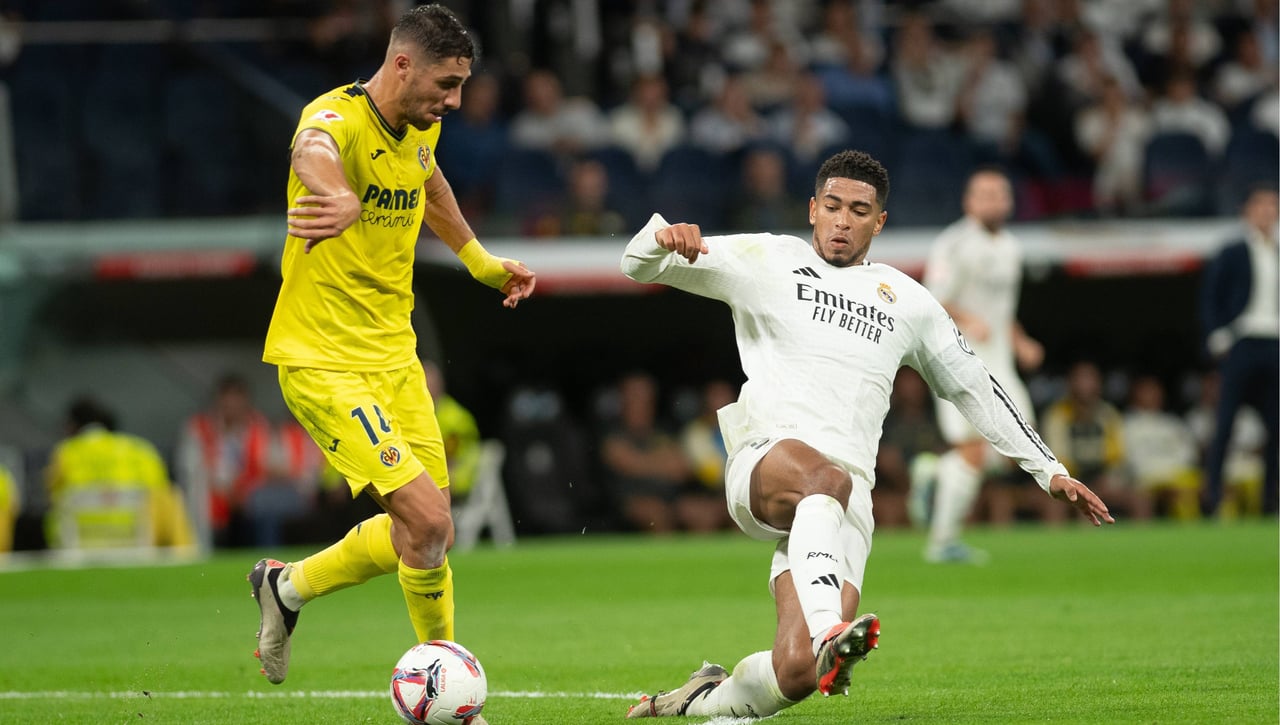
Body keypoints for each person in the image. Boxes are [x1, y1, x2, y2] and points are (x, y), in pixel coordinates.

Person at [619, 150, 1112, 719]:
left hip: (848, 497)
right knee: (822, 484)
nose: (842, 221)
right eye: (832, 206)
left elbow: (976, 385)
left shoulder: (908, 301)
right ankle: (833, 629)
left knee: (798, 673)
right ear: (812, 209)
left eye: (858, 211)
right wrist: (662, 240)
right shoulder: (768, 259)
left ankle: (695, 699)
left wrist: (1048, 468)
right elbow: (636, 263)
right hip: (766, 461)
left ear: (879, 222)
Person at [248, 4, 535, 693]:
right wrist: (336, 194)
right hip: (324, 360)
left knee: (428, 537)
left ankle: (287, 588)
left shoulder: (416, 129)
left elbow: (427, 181)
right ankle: (449, 680)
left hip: (395, 358)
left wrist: (478, 259)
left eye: (462, 84)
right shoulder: (336, 119)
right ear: (401, 64)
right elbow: (309, 151)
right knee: (430, 515)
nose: (455, 101)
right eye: (446, 84)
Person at [915, 167, 1044, 563]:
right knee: (973, 448)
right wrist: (967, 320)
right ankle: (943, 543)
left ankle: (935, 473)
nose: (993, 200)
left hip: (1001, 362)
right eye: (984, 194)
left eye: (1000, 193)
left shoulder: (1010, 247)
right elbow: (930, 299)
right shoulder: (954, 244)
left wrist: (1019, 340)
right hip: (958, 358)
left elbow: (1002, 310)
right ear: (969, 202)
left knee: (1018, 445)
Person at [1199, 185, 1278, 515]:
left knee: (1276, 426)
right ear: (1247, 210)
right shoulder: (1232, 251)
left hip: (1274, 342)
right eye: (1261, 205)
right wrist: (1218, 337)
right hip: (1242, 340)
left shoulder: (1277, 250)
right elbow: (1210, 296)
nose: (1268, 211)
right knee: (1226, 422)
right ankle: (1212, 498)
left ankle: (1269, 501)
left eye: (1273, 205)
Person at [45, 397, 193, 551]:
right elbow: (162, 494)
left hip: (80, 539)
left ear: (72, 426)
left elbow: (52, 497)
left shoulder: (65, 453)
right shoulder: (141, 450)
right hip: (137, 534)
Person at [176, 373, 275, 549]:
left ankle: (266, 557)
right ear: (218, 400)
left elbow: (269, 463)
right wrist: (223, 486)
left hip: (249, 490)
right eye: (227, 399)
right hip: (211, 488)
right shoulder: (199, 426)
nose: (232, 405)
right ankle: (202, 550)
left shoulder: (258, 425)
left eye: (237, 399)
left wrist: (242, 487)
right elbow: (189, 466)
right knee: (197, 491)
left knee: (264, 499)